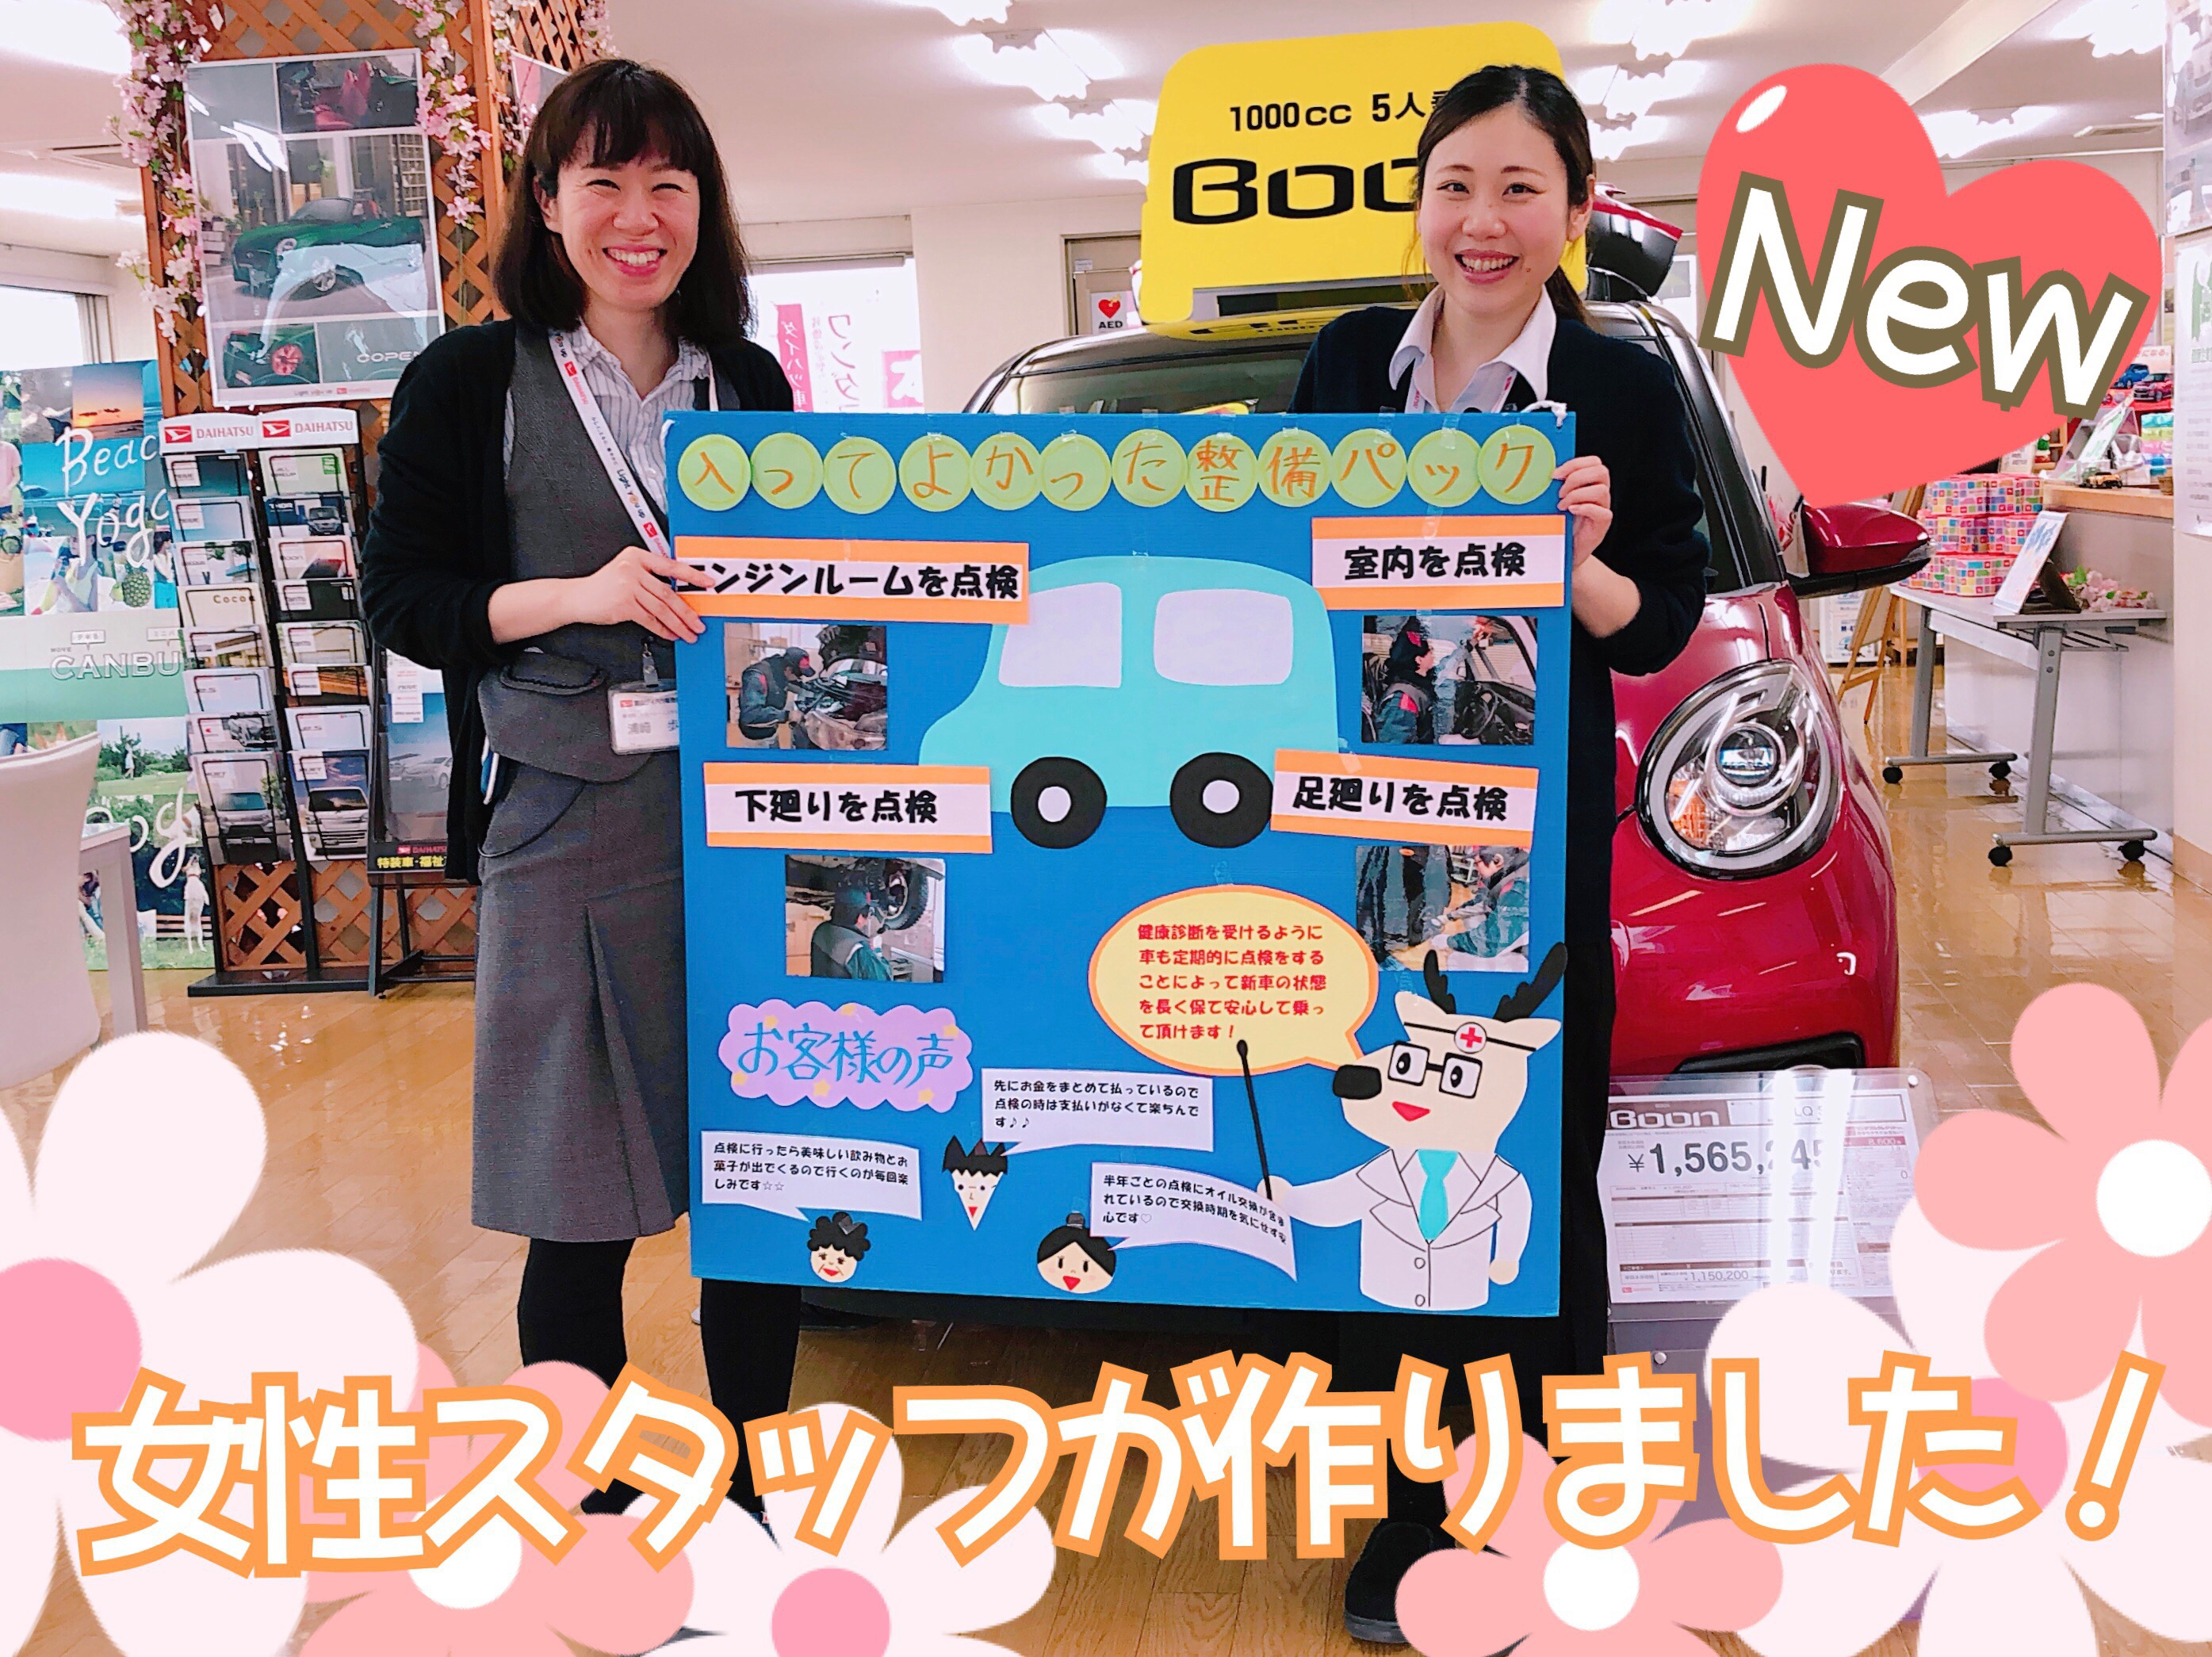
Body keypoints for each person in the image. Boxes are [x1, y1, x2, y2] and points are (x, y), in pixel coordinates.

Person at [1289, 63, 1708, 1642]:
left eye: (1521, 188)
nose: (1485, 220)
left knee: (1538, 1147)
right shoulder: (1350, 363)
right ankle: (1406, 1512)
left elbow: (1655, 622)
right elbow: (1279, 562)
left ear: (1575, 210)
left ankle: (1541, 1495)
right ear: (1419, 203)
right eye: (1456, 184)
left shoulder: (1621, 390)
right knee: (1386, 1137)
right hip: (1351, 825)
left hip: (1529, 840)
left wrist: (1579, 559)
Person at [358, 59, 801, 1513]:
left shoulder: (748, 382)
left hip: (745, 823)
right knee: (575, 1190)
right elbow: (403, 599)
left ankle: (751, 1483)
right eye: (602, 180)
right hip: (561, 822)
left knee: (759, 1168)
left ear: (702, 208)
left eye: (667, 182)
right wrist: (578, 592)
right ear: (547, 205)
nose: (637, 215)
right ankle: (591, 1491)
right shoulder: (470, 382)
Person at [1372, 618, 1438, 744]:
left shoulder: (1421, 687)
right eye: (1431, 651)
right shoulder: (1404, 697)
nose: (1434, 655)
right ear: (1419, 660)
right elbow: (1394, 744)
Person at [809, 882, 894, 979]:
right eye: (866, 915)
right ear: (858, 917)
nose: (867, 920)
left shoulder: (821, 930)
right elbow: (882, 982)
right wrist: (877, 952)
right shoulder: (858, 948)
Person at [736, 644, 814, 744]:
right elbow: (751, 714)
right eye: (799, 674)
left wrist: (814, 692)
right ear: (789, 669)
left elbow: (797, 687)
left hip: (771, 731)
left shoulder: (781, 673)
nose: (799, 678)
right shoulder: (756, 677)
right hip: (755, 739)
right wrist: (788, 715)